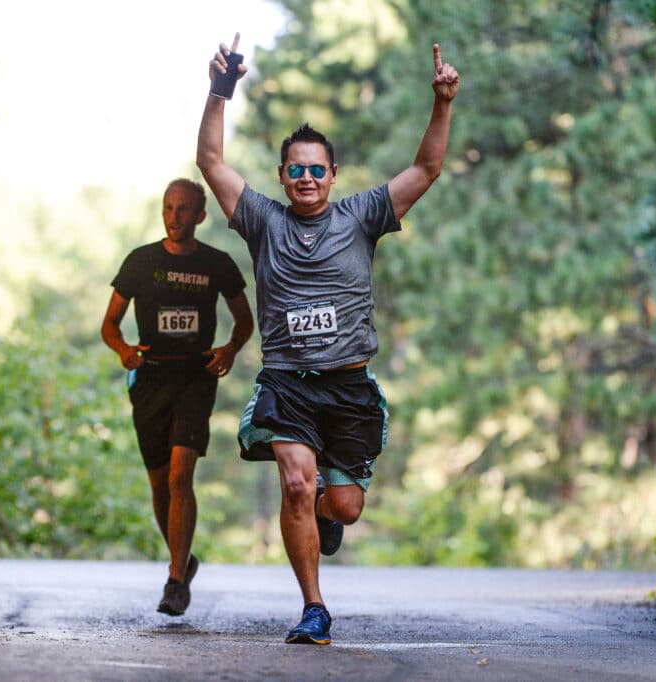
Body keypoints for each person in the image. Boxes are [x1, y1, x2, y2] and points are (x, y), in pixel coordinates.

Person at [197, 33, 460, 644]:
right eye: (297, 170)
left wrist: (442, 103)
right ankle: (313, 607)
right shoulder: (263, 220)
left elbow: (426, 169)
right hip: (288, 384)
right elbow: (210, 161)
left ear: (333, 175)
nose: (307, 178)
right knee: (294, 480)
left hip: (348, 387)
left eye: (317, 169)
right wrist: (219, 91)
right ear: (282, 176)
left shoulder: (362, 216)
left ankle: (326, 509)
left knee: (344, 507)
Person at [101, 178, 253, 616]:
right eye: (169, 207)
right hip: (150, 379)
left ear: (200, 215)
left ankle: (174, 582)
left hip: (194, 379)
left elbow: (244, 321)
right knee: (159, 484)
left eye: (184, 208)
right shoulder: (140, 261)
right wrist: (124, 351)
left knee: (180, 475)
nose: (175, 216)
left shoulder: (217, 263)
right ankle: (183, 561)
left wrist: (230, 349)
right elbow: (109, 325)